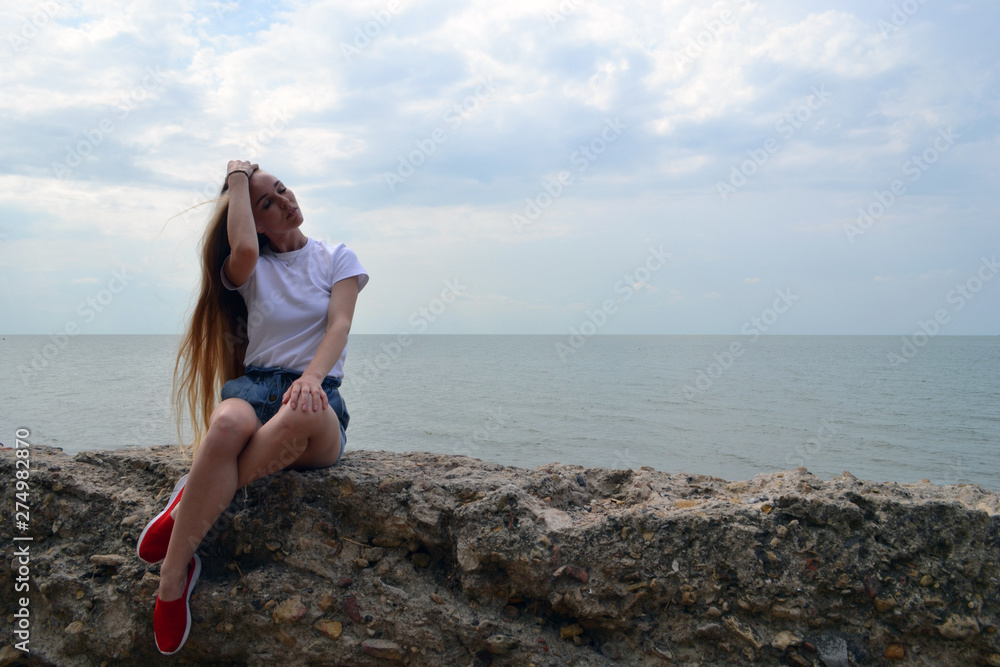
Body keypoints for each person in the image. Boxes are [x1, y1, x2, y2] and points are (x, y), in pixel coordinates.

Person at [136, 160, 368, 654]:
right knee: (224, 424)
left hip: (318, 399)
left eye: (283, 189)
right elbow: (242, 245)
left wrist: (310, 378)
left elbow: (339, 327)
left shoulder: (336, 257)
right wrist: (238, 177)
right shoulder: (251, 267)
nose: (285, 201)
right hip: (257, 386)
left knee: (302, 410)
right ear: (253, 219)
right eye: (268, 202)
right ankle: (173, 582)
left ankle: (187, 505)